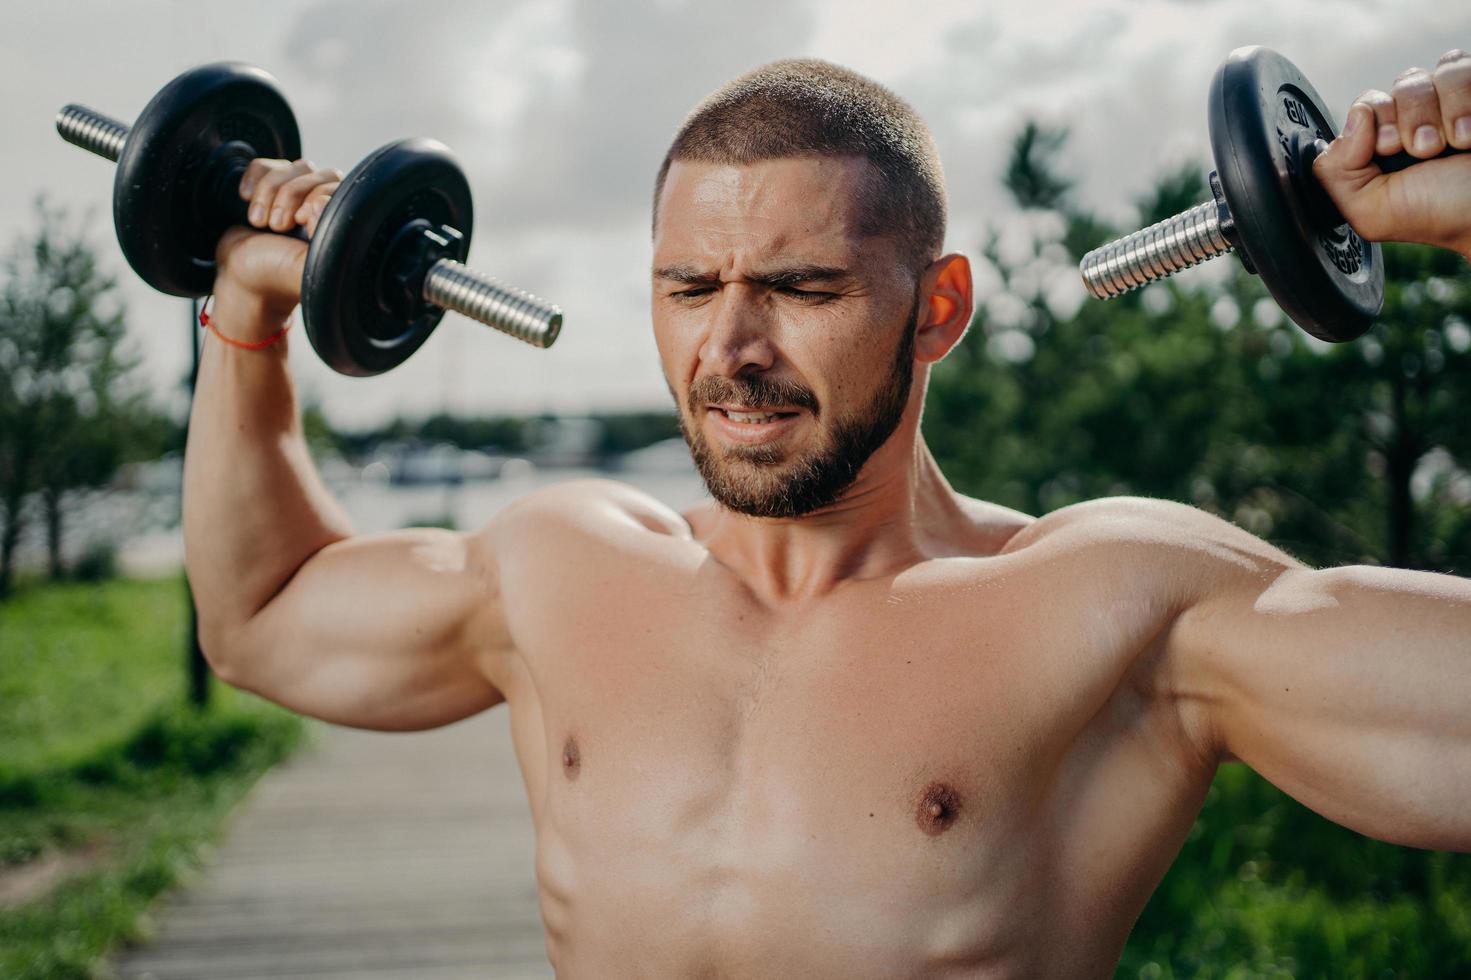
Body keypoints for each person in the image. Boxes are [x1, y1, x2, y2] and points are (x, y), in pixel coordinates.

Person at [185, 51, 1471, 977]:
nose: (729, 346)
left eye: (801, 286)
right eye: (689, 286)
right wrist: (245, 319)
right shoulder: (561, 566)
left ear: (938, 308)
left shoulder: (1117, 607)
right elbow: (260, 615)